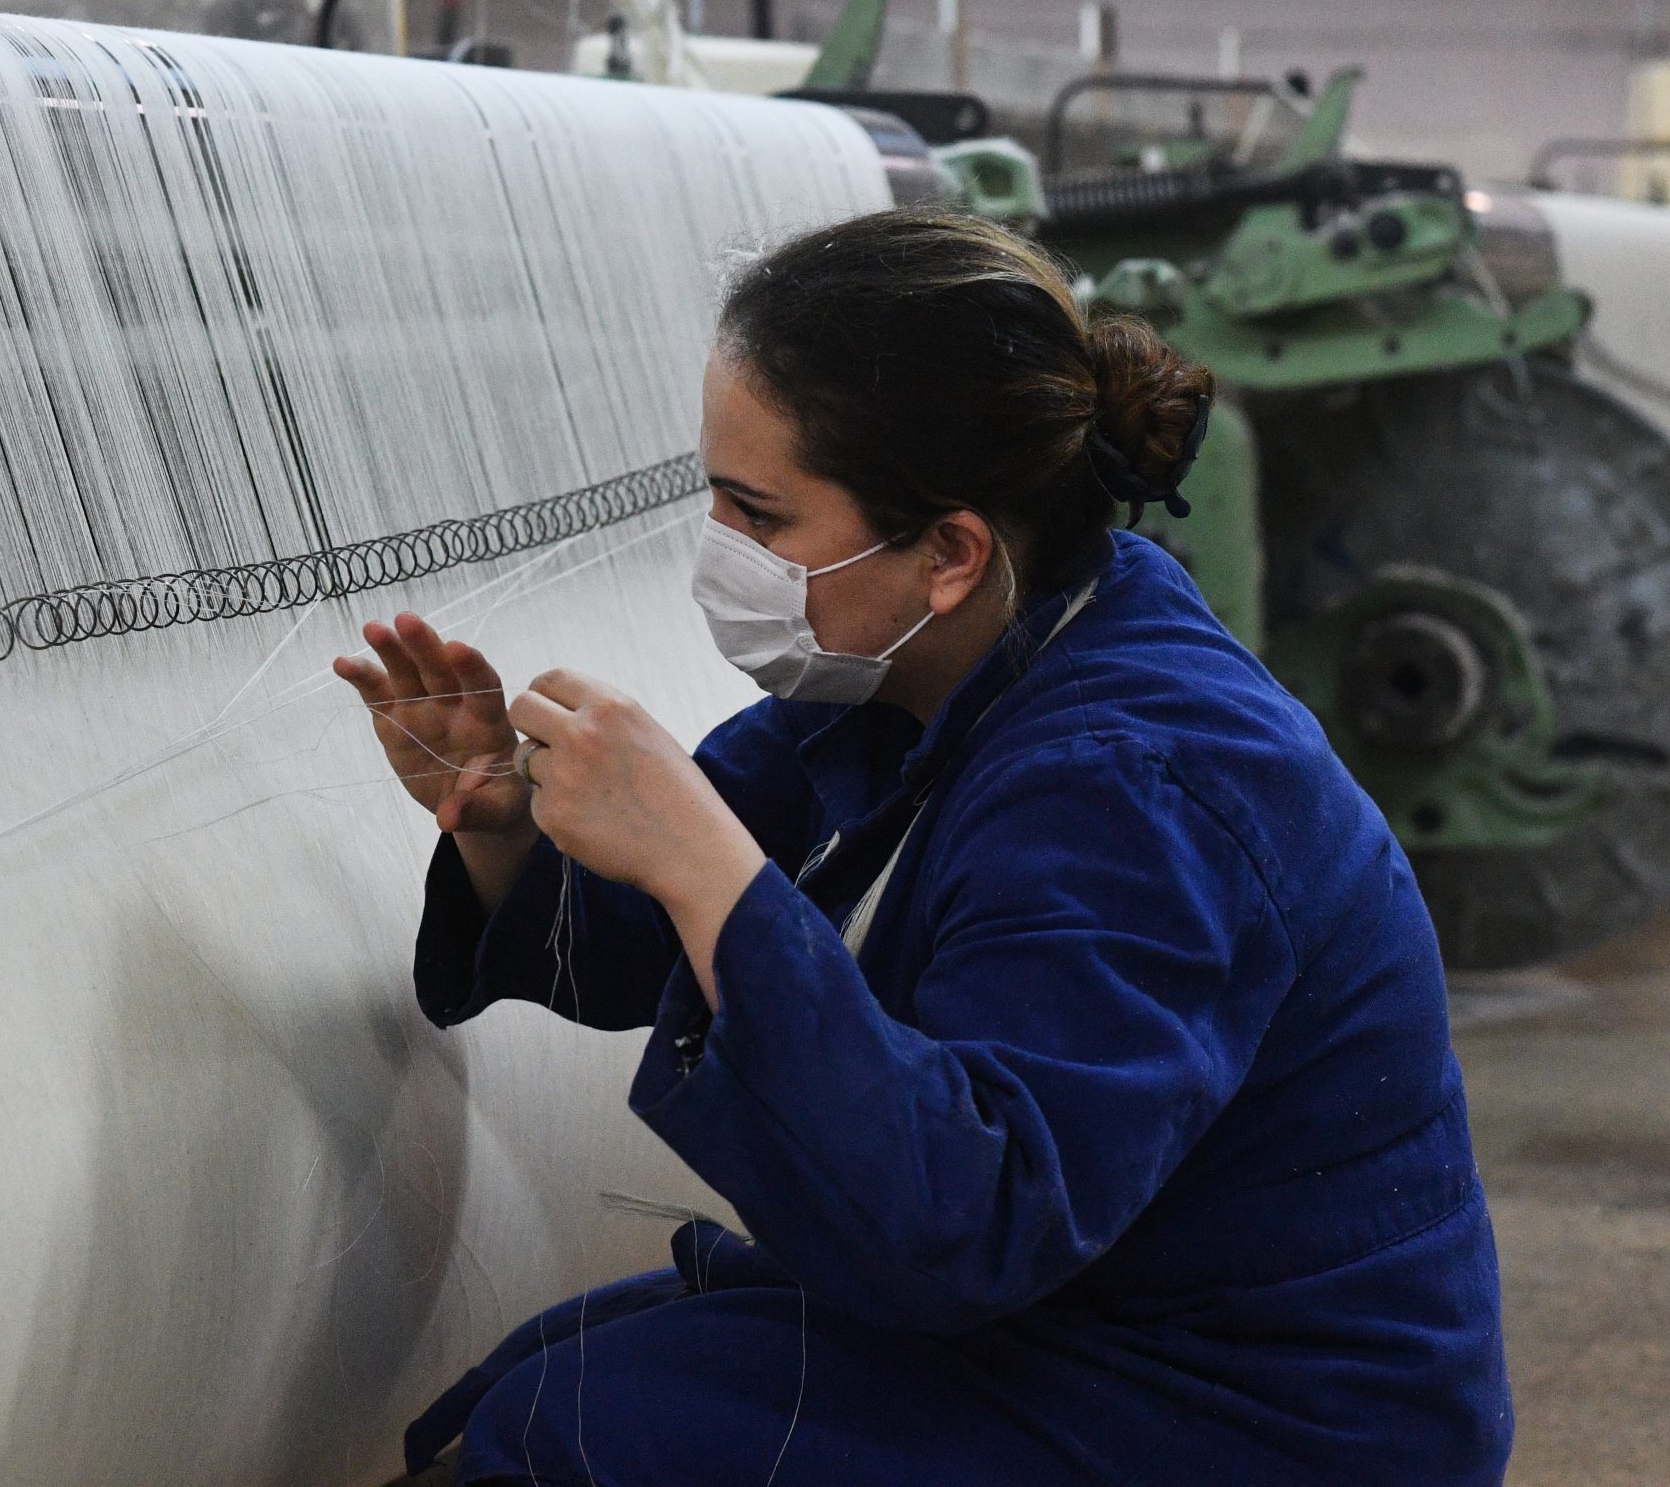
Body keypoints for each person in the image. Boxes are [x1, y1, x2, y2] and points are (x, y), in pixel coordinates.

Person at [336, 208, 1511, 1486]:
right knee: (560, 1372)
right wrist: (509, 825)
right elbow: (659, 949)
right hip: (1084, 1323)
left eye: (760, 514)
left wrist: (699, 863)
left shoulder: (1131, 787)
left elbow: (965, 1223)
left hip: (1249, 1415)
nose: (720, 551)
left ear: (948, 552)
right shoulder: (931, 673)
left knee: (576, 1435)